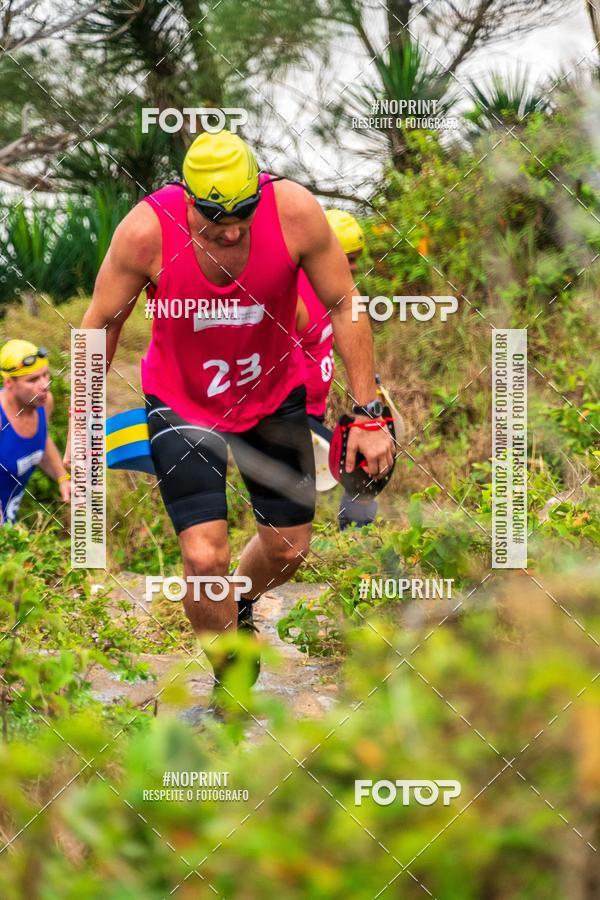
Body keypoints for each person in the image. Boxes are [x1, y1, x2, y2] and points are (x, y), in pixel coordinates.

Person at [64, 130, 393, 705]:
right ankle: (230, 680)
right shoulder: (146, 231)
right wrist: (83, 425)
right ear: (187, 197)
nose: (233, 229)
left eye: (243, 213)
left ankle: (238, 600)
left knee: (289, 549)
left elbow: (345, 303)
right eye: (216, 216)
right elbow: (98, 325)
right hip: (182, 404)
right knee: (202, 555)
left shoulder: (293, 212)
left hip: (271, 400)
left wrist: (368, 413)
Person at [296, 209, 379, 529]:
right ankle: (358, 544)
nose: (355, 266)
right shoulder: (298, 295)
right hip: (290, 417)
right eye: (349, 258)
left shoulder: (337, 296)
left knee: (363, 467)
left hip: (313, 413)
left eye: (358, 258)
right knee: (362, 469)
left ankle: (352, 542)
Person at [0, 340, 71, 524]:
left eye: (45, 375)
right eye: (32, 380)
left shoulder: (43, 403)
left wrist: (62, 477)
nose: (44, 385)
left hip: (9, 522)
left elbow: (40, 441)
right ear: (9, 382)